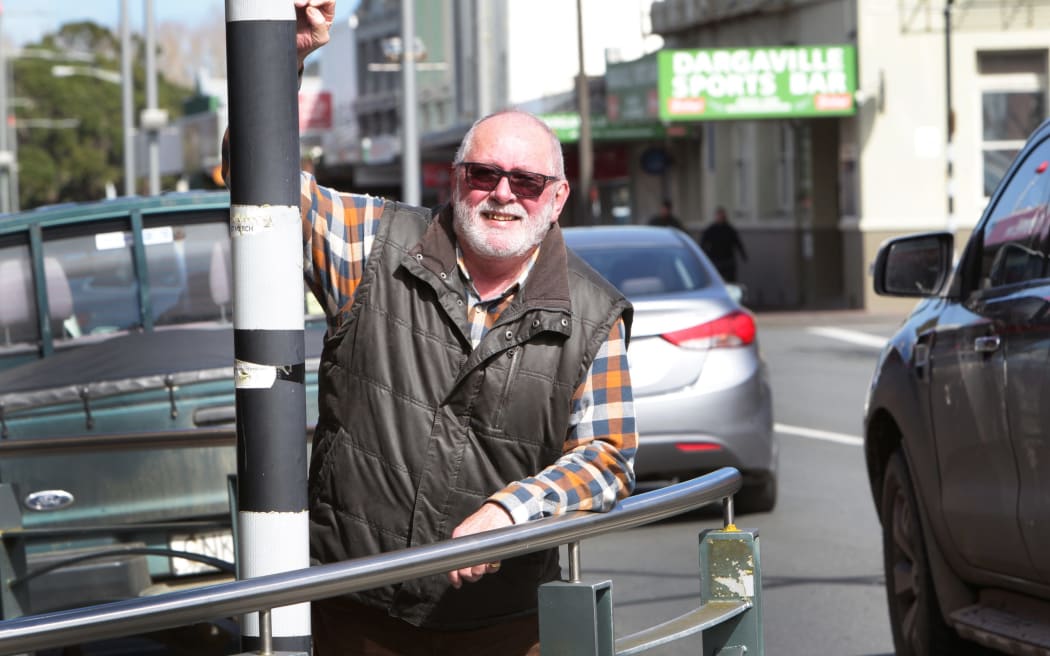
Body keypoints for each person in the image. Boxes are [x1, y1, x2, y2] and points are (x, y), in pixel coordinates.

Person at [231, 3, 638, 654]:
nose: (503, 193)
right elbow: (257, 177)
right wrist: (287, 57)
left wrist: (510, 514)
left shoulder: (593, 315)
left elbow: (607, 460)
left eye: (527, 182)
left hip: (501, 626)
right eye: (484, 174)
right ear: (456, 181)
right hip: (356, 610)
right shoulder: (372, 244)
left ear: (557, 199)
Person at [700, 205, 748, 283]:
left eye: (722, 215)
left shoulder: (729, 229)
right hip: (715, 260)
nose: (720, 217)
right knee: (716, 281)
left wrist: (743, 255)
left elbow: (737, 242)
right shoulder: (711, 230)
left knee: (731, 281)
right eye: (719, 215)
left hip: (728, 260)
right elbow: (703, 243)